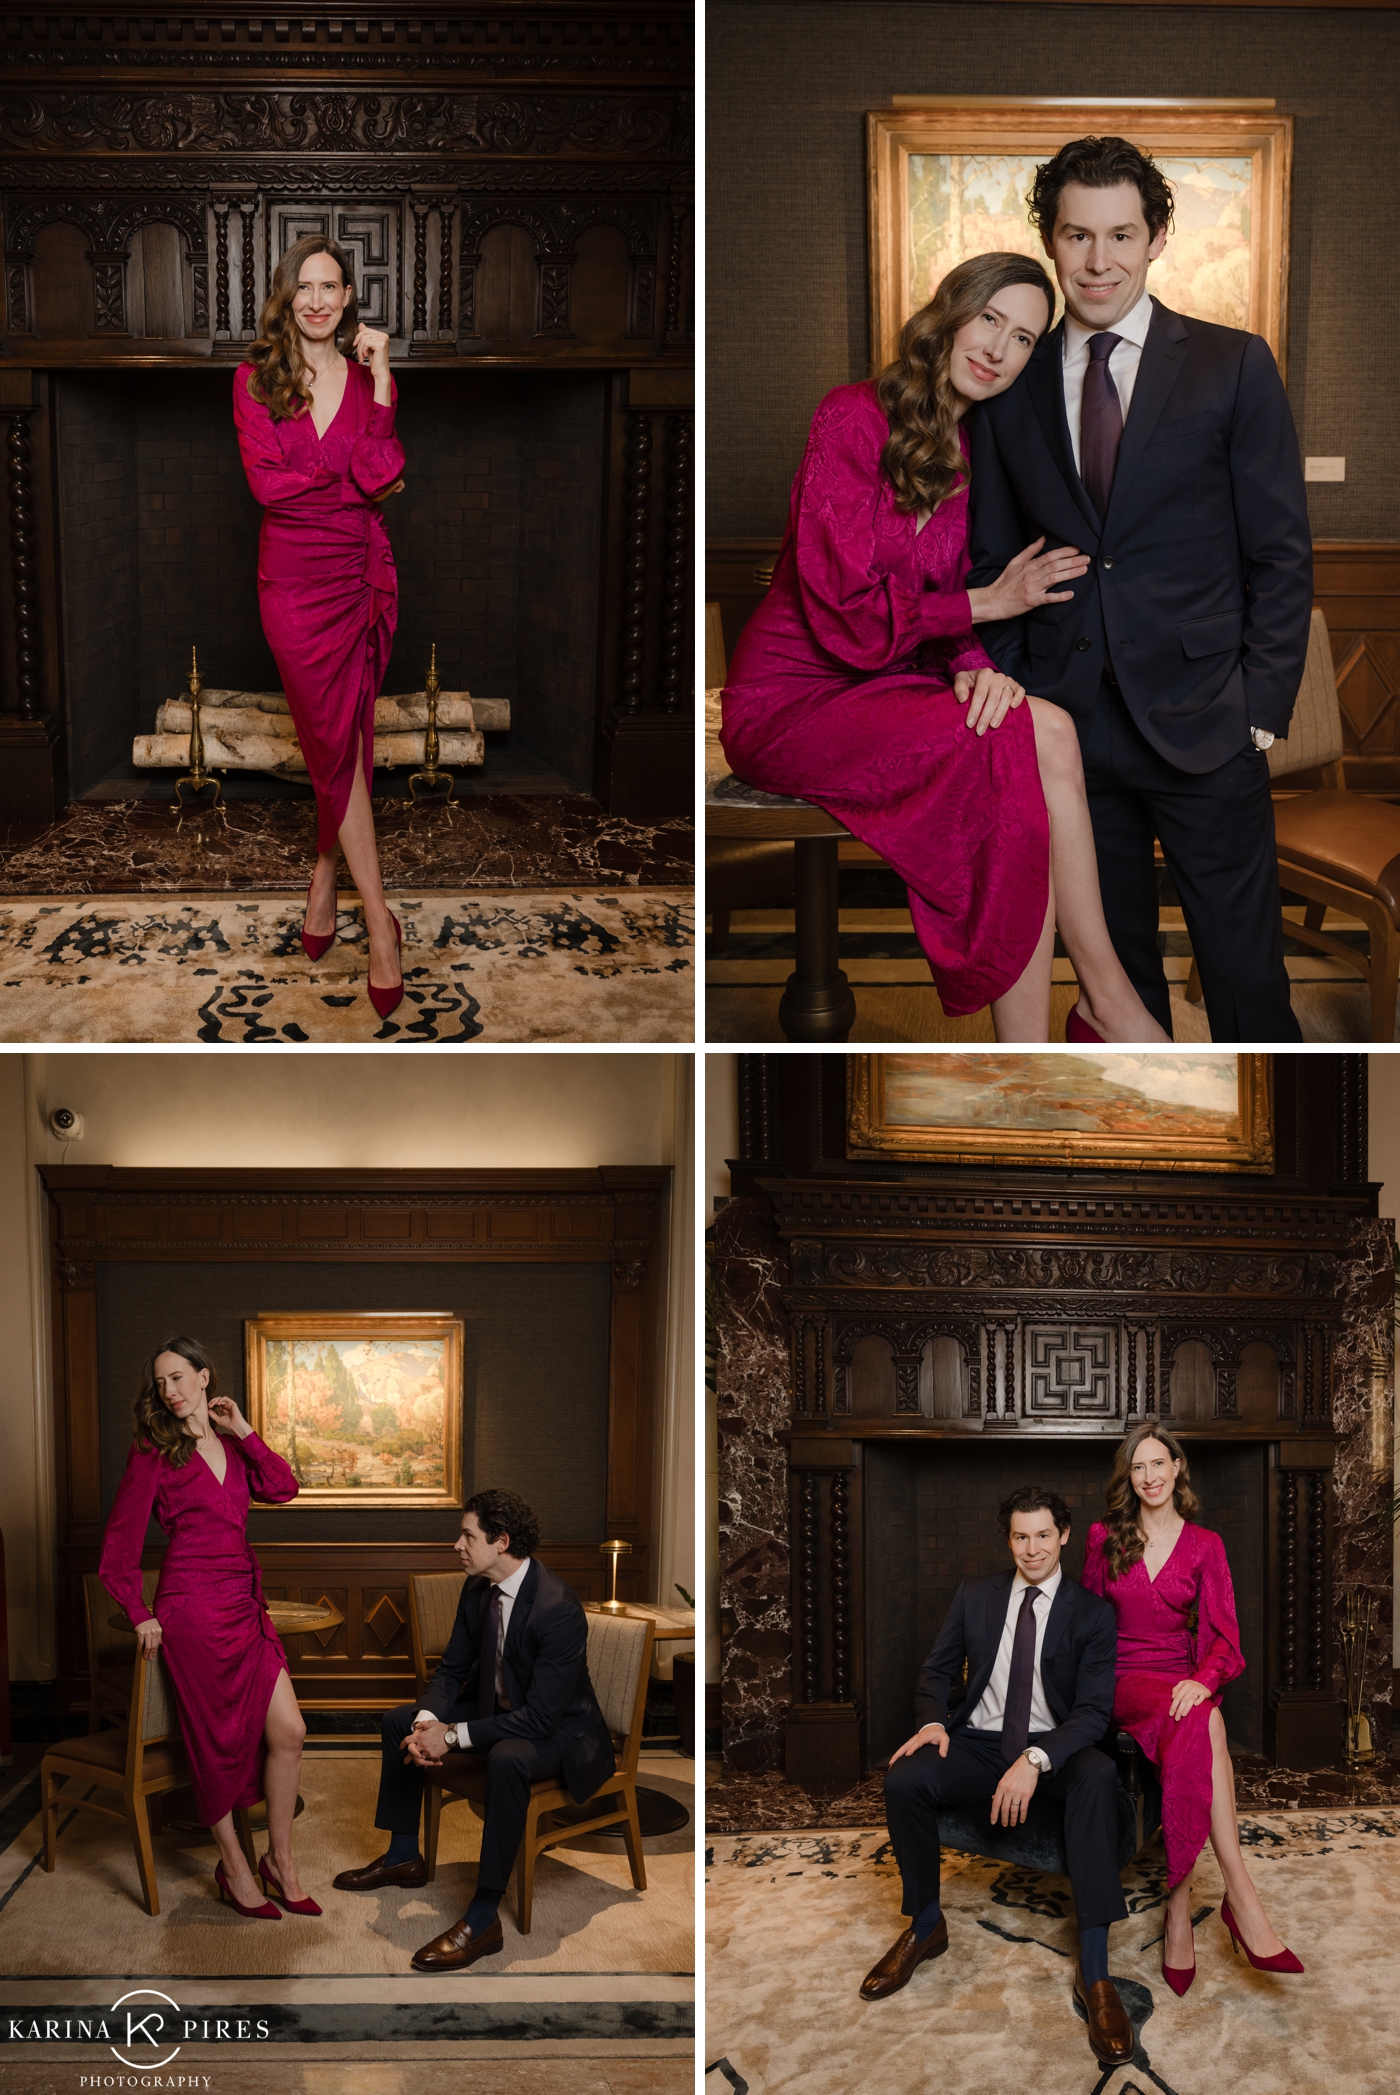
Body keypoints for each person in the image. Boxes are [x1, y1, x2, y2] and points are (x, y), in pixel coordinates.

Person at [718, 250, 1169, 1043]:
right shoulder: (852, 416)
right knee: (1013, 751)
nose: (1000, 348)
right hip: (793, 697)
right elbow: (845, 610)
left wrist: (975, 667)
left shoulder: (980, 451)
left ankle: (1098, 998)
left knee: (1043, 727)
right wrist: (986, 607)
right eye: (990, 319)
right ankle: (1087, 1015)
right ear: (951, 313)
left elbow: (954, 603)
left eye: (1026, 338)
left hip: (888, 685)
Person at [967, 135, 1311, 1043]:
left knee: (1248, 986)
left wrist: (1259, 709)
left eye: (1121, 234)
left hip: (1208, 721)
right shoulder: (1013, 383)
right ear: (1051, 238)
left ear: (1157, 237)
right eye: (1078, 236)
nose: (1098, 261)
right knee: (1118, 989)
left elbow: (1280, 552)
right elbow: (989, 557)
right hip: (1070, 732)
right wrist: (1018, 694)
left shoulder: (1232, 364)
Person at [864, 1487, 1133, 2071]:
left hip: (1055, 1745)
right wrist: (935, 1722)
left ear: (1064, 1536)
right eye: (1019, 1536)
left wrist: (1036, 1760)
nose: (1031, 1549)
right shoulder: (975, 1595)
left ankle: (1096, 1972)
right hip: (980, 1740)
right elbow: (936, 1670)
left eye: (1042, 1535)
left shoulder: (1092, 1613)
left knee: (1099, 1774)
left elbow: (1092, 1713)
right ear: (1007, 1538)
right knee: (906, 1778)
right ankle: (927, 1924)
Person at [232, 233, 408, 1023]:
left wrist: (380, 379)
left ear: (348, 298)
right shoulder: (255, 378)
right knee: (332, 735)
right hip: (294, 589)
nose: (316, 299)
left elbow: (384, 472)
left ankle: (326, 878)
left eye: (331, 286)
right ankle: (382, 921)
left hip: (358, 576)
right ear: (286, 294)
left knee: (346, 734)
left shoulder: (371, 380)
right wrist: (346, 485)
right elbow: (269, 486)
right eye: (304, 286)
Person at [334, 1488, 616, 1971]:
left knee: (507, 1756)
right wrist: (426, 1724)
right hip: (502, 1711)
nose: (457, 1545)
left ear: (501, 1541)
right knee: (398, 1719)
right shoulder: (476, 1589)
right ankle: (404, 1854)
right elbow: (451, 1670)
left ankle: (483, 1916)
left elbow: (540, 1719)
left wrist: (451, 1736)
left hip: (563, 1735)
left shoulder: (557, 1608)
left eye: (468, 1535)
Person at [99, 1337, 318, 1920]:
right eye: (160, 1383)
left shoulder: (231, 1443)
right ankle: (236, 1868)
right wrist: (140, 1610)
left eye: (177, 1378)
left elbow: (283, 1488)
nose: (168, 1391)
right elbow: (119, 1545)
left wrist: (243, 1428)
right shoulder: (152, 1450)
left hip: (245, 1602)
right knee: (213, 1739)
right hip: (190, 1606)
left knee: (290, 1731)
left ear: (203, 1378)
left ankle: (280, 1860)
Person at [1082, 1420, 1302, 1991]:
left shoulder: (1206, 1545)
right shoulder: (1104, 1536)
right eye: (1138, 1467)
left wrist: (1204, 1678)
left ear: (1177, 1467)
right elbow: (1081, 1621)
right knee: (1209, 1726)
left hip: (1180, 1681)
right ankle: (1239, 1896)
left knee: (1201, 1721)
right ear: (1127, 1477)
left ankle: (1180, 1908)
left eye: (1159, 1463)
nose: (1150, 1476)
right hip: (1122, 1679)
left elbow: (1225, 1633)